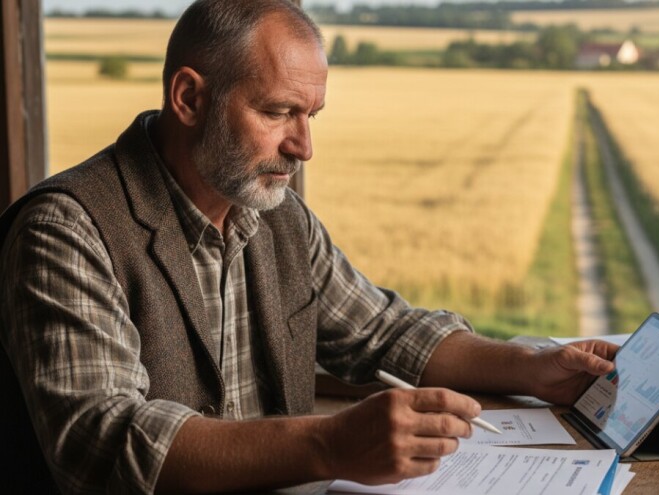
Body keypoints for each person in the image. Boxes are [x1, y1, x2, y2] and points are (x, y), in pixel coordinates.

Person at [0, 1, 617, 493]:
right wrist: (330, 444)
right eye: (277, 112)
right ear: (188, 98)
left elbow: (385, 331)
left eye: (310, 115)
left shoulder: (279, 216)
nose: (302, 147)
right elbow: (103, 445)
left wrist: (533, 367)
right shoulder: (67, 229)